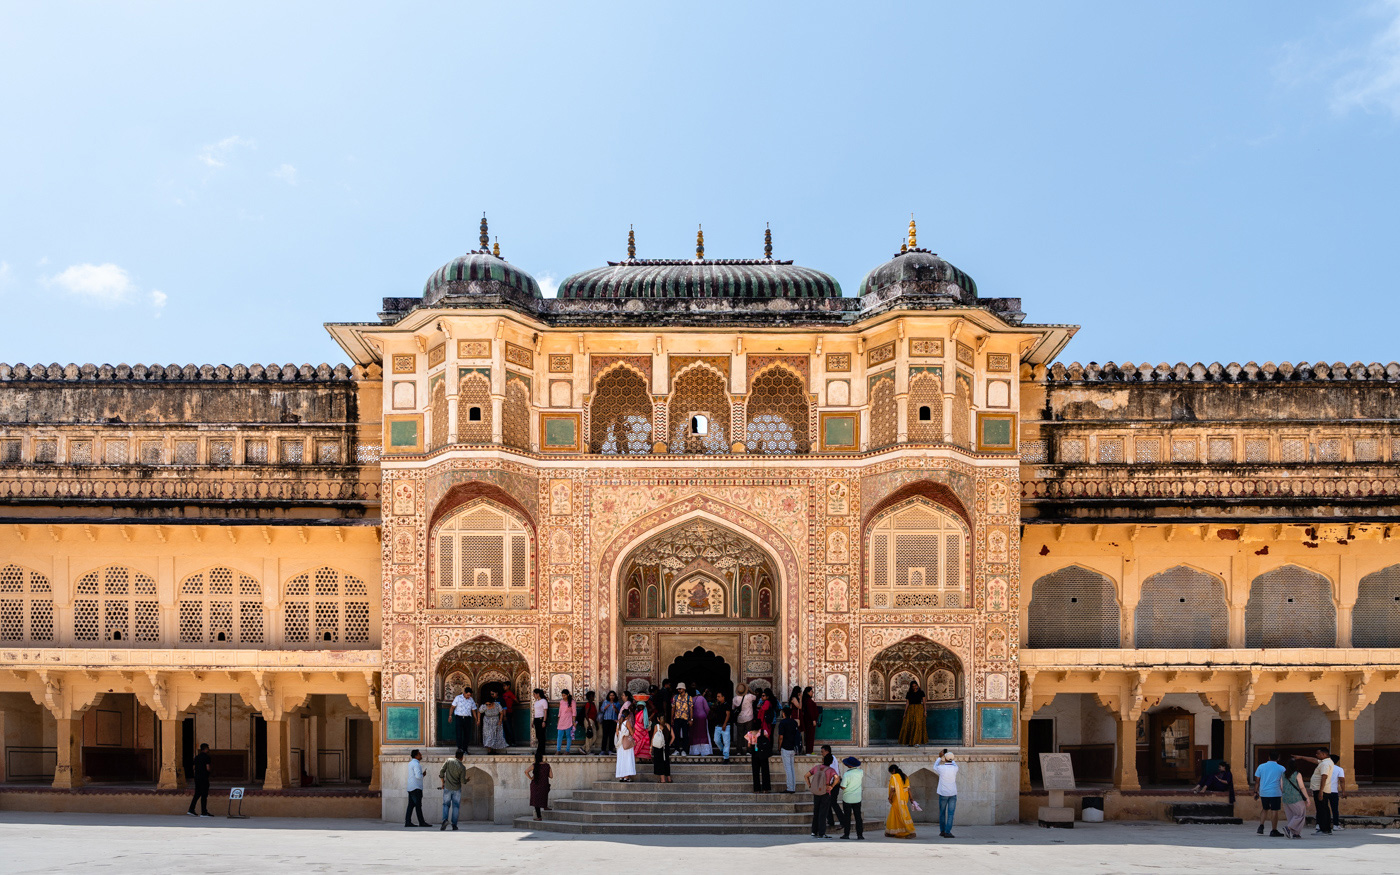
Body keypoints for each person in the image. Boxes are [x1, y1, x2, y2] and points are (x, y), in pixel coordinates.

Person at [1298, 747, 1335, 834]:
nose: (1316, 755)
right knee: (1324, 808)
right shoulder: (1324, 762)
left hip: (1321, 790)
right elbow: (1314, 760)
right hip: (1321, 789)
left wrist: (1321, 791)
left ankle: (1324, 829)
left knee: (1322, 809)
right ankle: (1325, 828)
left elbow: (1324, 777)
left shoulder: (1325, 764)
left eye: (1318, 753)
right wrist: (1301, 757)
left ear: (1324, 754)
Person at [1253, 750, 1286, 837]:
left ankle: (1261, 825)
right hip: (1275, 792)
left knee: (1265, 809)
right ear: (1278, 758)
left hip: (1264, 792)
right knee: (1274, 810)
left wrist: (1256, 791)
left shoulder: (1261, 766)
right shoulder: (1282, 768)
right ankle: (1274, 830)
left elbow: (1257, 781)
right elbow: (1283, 782)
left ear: (1269, 757)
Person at [806, 752, 839, 839]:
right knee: (823, 813)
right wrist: (831, 786)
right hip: (825, 792)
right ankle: (822, 833)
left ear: (823, 760)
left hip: (816, 793)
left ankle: (814, 831)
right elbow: (837, 778)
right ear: (831, 762)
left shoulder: (816, 768)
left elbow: (806, 775)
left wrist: (810, 785)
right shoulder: (831, 770)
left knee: (816, 812)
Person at [1280, 757, 1311, 839]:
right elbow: (1302, 787)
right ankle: (1288, 828)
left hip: (1286, 797)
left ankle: (1296, 833)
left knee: (1291, 816)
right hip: (1296, 797)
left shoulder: (1283, 774)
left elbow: (1281, 787)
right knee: (1300, 815)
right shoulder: (1297, 774)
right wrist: (1307, 798)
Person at [439, 748, 468, 831]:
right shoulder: (462, 767)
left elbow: (441, 771)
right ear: (462, 757)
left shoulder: (449, 761)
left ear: (455, 755)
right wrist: (467, 780)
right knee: (455, 807)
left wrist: (443, 782)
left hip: (447, 787)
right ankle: (454, 825)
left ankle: (444, 820)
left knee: (446, 805)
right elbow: (463, 781)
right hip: (457, 789)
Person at [932, 749, 959, 838]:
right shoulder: (955, 768)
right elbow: (953, 762)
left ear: (945, 759)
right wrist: (950, 757)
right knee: (951, 814)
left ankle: (942, 831)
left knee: (942, 813)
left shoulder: (941, 768)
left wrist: (940, 757)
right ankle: (948, 832)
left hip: (943, 793)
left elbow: (935, 766)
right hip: (952, 793)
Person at [885, 764, 916, 839]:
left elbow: (893, 789)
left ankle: (906, 831)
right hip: (904, 797)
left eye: (891, 772)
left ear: (893, 771)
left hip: (897, 798)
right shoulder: (905, 776)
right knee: (900, 812)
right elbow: (908, 789)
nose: (891, 774)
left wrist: (889, 798)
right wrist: (911, 799)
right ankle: (892, 831)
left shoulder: (894, 777)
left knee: (897, 813)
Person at [838, 756, 865, 840]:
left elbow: (843, 787)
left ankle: (846, 834)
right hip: (857, 798)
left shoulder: (847, 774)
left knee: (847, 817)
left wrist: (839, 782)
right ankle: (860, 835)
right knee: (858, 817)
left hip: (848, 798)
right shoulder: (860, 772)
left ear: (848, 765)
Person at [403, 748, 429, 827]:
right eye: (420, 754)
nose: (421, 755)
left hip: (411, 787)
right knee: (418, 806)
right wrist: (423, 775)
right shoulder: (417, 764)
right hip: (416, 788)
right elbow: (418, 776)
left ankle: (408, 822)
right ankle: (421, 822)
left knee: (411, 805)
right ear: (416, 756)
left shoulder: (410, 763)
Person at [777, 705, 800, 793]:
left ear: (783, 714)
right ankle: (792, 787)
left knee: (788, 769)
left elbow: (781, 737)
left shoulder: (782, 723)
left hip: (785, 748)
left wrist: (779, 747)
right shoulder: (794, 722)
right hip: (793, 748)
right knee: (792, 768)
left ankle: (790, 788)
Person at [899, 680, 928, 746]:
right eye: (913, 686)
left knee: (918, 724)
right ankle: (911, 742)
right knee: (911, 724)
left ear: (917, 685)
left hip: (919, 709)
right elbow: (907, 703)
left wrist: (925, 711)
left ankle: (917, 741)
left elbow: (924, 703)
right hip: (911, 709)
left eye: (915, 686)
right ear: (911, 687)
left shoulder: (921, 692)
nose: (915, 687)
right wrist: (905, 713)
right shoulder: (909, 693)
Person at [187, 742, 212, 817]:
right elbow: (208, 768)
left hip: (197, 778)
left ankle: (191, 809)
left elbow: (193, 768)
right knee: (204, 794)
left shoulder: (196, 757)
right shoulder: (207, 757)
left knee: (197, 794)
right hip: (204, 778)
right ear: (206, 749)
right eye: (208, 748)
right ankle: (203, 812)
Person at [450, 686, 476, 754]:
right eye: (467, 695)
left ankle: (465, 749)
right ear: (464, 693)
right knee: (459, 733)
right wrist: (450, 716)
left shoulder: (471, 699)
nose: (468, 696)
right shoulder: (458, 698)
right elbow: (452, 707)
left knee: (467, 734)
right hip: (459, 717)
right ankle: (459, 748)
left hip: (467, 718)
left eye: (470, 695)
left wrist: (476, 719)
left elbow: (473, 710)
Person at [526, 752, 551, 821]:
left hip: (535, 784)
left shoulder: (534, 765)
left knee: (536, 800)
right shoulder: (547, 765)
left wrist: (531, 778)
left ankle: (539, 816)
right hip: (544, 784)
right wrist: (545, 774)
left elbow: (526, 771)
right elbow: (551, 776)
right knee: (544, 795)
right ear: (542, 758)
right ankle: (545, 806)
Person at [750, 719, 773, 792]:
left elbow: (748, 744)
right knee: (765, 770)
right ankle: (765, 788)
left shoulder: (750, 733)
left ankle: (756, 789)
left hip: (754, 752)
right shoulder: (763, 732)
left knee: (755, 772)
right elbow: (767, 739)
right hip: (763, 752)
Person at [734, 683, 757, 754]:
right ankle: (748, 750)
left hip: (740, 719)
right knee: (748, 734)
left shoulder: (735, 699)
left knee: (740, 735)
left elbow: (733, 708)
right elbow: (756, 696)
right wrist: (750, 690)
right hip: (749, 718)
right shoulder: (750, 696)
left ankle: (739, 751)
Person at [1325, 755, 1346, 831]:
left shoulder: (1324, 767)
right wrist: (1343, 791)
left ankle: (1319, 824)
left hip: (1324, 790)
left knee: (1322, 808)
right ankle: (1335, 825)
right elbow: (1342, 781)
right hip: (1334, 791)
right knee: (1334, 809)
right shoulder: (1339, 769)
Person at [671, 683, 693, 755]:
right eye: (678, 689)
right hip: (677, 718)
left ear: (683, 689)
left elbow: (691, 709)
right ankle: (677, 749)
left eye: (680, 689)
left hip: (685, 718)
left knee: (685, 735)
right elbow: (673, 708)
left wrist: (691, 719)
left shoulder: (689, 698)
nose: (678, 690)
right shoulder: (675, 697)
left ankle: (684, 750)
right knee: (676, 734)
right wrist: (672, 718)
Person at [711, 690, 732, 762]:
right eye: (717, 696)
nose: (717, 698)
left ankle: (726, 757)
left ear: (723, 697)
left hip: (725, 726)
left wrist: (725, 724)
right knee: (716, 740)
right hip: (718, 726)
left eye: (719, 696)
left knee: (726, 741)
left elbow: (728, 715)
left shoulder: (727, 705)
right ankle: (722, 749)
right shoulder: (718, 705)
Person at [689, 690, 712, 755]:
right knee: (704, 733)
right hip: (702, 718)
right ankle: (705, 751)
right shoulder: (702, 698)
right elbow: (707, 709)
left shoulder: (690, 699)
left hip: (693, 719)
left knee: (695, 734)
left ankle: (695, 751)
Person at [652, 715, 674, 783]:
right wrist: (669, 744)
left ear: (658, 719)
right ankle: (669, 778)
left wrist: (651, 747)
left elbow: (653, 737)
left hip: (658, 747)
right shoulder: (669, 726)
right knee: (666, 761)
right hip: (666, 746)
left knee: (659, 762)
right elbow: (673, 737)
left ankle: (662, 779)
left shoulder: (657, 726)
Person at [615, 717, 637, 782]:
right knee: (627, 759)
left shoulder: (618, 723)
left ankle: (621, 776)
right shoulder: (627, 722)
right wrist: (634, 728)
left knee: (621, 760)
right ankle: (626, 777)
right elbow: (632, 733)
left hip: (620, 745)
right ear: (627, 716)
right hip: (626, 744)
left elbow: (617, 733)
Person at [632, 693, 652, 763]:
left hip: (643, 731)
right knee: (637, 744)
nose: (640, 707)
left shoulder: (645, 713)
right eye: (639, 706)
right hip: (637, 732)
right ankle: (640, 759)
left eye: (642, 706)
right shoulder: (637, 712)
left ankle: (645, 759)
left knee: (644, 745)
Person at [801, 687, 820, 756]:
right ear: (808, 692)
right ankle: (809, 752)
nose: (812, 693)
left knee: (810, 736)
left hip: (809, 721)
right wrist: (813, 720)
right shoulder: (808, 701)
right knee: (810, 736)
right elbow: (810, 711)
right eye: (811, 691)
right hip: (810, 722)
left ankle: (809, 751)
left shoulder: (807, 700)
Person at [599, 691, 620, 756]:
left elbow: (619, 712)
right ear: (608, 696)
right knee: (605, 736)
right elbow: (601, 710)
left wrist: (615, 708)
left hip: (613, 721)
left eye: (613, 695)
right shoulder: (605, 702)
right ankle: (603, 750)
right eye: (610, 695)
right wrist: (605, 707)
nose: (612, 696)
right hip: (606, 720)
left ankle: (611, 750)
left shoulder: (617, 703)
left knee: (612, 736)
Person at [556, 689, 576, 755]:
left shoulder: (572, 702)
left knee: (568, 736)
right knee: (559, 736)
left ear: (567, 695)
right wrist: (558, 721)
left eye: (564, 695)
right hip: (561, 720)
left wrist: (573, 721)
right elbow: (560, 712)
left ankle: (567, 751)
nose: (563, 697)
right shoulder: (561, 702)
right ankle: (558, 750)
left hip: (568, 721)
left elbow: (574, 712)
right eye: (562, 695)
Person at [581, 691, 600, 756]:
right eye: (592, 696)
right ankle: (587, 750)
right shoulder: (588, 704)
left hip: (592, 721)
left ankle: (583, 747)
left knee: (594, 737)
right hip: (588, 721)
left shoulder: (593, 704)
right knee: (590, 736)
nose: (593, 697)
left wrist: (596, 723)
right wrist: (589, 724)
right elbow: (586, 714)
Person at [532, 689, 548, 755]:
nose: (534, 696)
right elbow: (535, 712)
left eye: (534, 694)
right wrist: (533, 721)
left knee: (541, 735)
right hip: (536, 719)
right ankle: (539, 749)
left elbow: (545, 712)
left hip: (541, 719)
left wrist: (544, 721)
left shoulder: (543, 701)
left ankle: (541, 750)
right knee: (538, 735)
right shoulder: (536, 702)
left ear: (538, 694)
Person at [787, 687, 804, 752]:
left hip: (796, 716)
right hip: (795, 716)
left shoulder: (795, 698)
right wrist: (801, 698)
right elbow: (799, 707)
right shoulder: (794, 698)